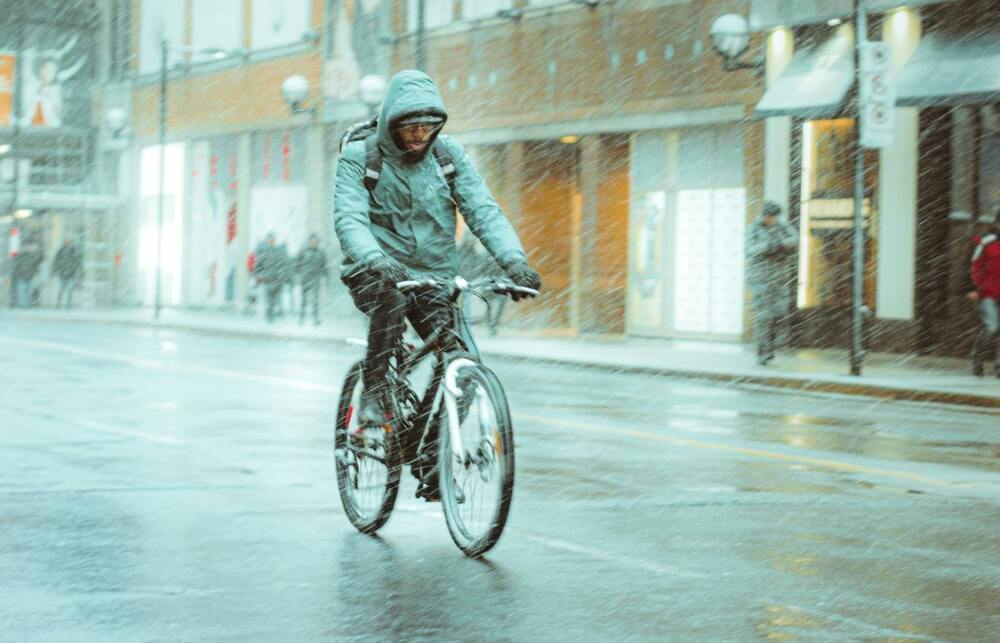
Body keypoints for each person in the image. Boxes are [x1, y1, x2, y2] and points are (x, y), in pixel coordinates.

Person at [334, 69, 541, 425]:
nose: (419, 136)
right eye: (410, 127)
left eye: (428, 127)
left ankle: (430, 455)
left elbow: (483, 210)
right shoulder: (359, 158)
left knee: (461, 361)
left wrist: (513, 261)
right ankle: (374, 393)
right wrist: (374, 258)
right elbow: (349, 218)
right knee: (391, 299)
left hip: (434, 277)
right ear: (390, 124)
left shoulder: (448, 156)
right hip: (375, 272)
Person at [745, 200, 797, 365]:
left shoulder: (782, 227)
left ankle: (771, 346)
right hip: (760, 278)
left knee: (779, 313)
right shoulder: (753, 228)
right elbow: (749, 250)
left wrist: (781, 244)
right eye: (769, 216)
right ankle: (762, 352)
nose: (772, 219)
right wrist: (767, 246)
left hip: (779, 278)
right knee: (764, 316)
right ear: (764, 215)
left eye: (774, 217)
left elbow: (795, 238)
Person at [968, 211, 1000, 378]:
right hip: (986, 293)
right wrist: (972, 287)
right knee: (992, 326)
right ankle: (977, 357)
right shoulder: (984, 241)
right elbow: (972, 263)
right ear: (997, 223)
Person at [254, 233, 290, 323]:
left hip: (277, 279)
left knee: (275, 299)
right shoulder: (263, 253)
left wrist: (282, 275)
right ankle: (269, 316)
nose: (271, 242)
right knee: (268, 299)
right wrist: (259, 275)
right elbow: (258, 266)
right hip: (267, 279)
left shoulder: (278, 252)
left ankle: (273, 314)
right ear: (267, 241)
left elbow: (283, 264)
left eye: (272, 240)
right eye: (269, 240)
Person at [296, 233, 329, 325]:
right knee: (304, 300)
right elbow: (297, 265)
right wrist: (299, 275)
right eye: (311, 241)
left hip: (315, 280)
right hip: (305, 279)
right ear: (309, 242)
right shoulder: (303, 252)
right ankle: (301, 318)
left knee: (315, 301)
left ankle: (315, 319)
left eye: (315, 241)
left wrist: (326, 278)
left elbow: (324, 267)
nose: (313, 243)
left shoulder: (321, 253)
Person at [12, 240, 43, 309]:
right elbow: (16, 266)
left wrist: (34, 272)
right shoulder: (19, 256)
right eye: (24, 247)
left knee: (27, 291)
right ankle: (22, 306)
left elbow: (36, 264)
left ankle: (27, 305)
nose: (26, 248)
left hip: (29, 276)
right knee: (22, 291)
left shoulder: (32, 256)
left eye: (27, 247)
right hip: (21, 276)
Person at [52, 238, 82, 308]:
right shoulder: (62, 250)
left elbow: (77, 261)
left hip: (70, 273)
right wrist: (56, 269)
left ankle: (67, 304)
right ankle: (59, 303)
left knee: (69, 290)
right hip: (64, 273)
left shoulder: (73, 250)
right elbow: (56, 261)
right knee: (62, 289)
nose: (67, 242)